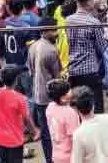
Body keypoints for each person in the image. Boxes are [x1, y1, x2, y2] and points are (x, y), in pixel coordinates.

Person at [65, 0, 108, 114]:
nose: (96, 2)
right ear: (89, 2)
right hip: (90, 72)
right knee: (96, 109)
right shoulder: (94, 23)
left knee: (78, 109)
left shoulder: (68, 21)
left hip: (72, 70)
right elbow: (102, 47)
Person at [0, 65, 40, 163]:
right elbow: (26, 119)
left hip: (0, 139)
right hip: (15, 140)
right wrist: (35, 132)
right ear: (16, 79)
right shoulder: (20, 98)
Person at [27, 17, 61, 163]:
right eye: (54, 30)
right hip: (50, 97)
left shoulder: (33, 47)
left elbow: (31, 71)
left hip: (37, 96)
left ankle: (49, 160)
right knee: (55, 131)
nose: (57, 32)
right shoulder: (52, 50)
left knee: (45, 132)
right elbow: (58, 77)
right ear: (45, 32)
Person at [70, 86, 108, 163]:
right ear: (93, 104)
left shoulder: (78, 134)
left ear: (75, 109)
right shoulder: (106, 118)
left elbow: (76, 160)